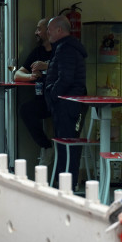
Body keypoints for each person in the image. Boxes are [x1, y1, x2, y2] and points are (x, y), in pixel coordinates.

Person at [44, 14, 88, 188]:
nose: (48, 33)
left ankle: (66, 183)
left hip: (67, 104)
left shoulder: (65, 49)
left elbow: (66, 78)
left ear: (59, 30)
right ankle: (65, 180)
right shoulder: (69, 47)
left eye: (49, 29)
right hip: (70, 103)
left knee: (66, 145)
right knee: (68, 144)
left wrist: (53, 95)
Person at [17, 18, 55, 161]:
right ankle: (46, 146)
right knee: (25, 110)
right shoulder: (37, 52)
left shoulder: (60, 50)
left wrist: (46, 66)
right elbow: (17, 74)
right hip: (42, 99)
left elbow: (65, 68)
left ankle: (62, 175)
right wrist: (31, 76)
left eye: (39, 29)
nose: (35, 33)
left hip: (59, 100)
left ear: (49, 30)